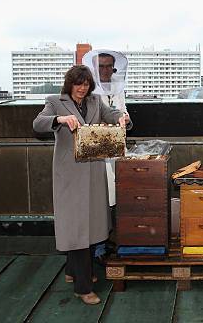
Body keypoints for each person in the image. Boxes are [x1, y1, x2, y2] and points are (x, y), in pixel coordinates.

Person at [32, 65, 131, 305]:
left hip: (94, 172)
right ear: (70, 84)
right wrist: (60, 119)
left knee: (91, 224)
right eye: (78, 83)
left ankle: (71, 271)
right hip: (70, 175)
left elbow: (112, 115)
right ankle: (83, 287)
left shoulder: (96, 101)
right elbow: (38, 124)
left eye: (86, 84)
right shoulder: (55, 100)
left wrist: (122, 118)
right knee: (76, 227)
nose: (82, 88)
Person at [82, 50, 130, 263]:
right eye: (101, 66)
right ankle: (97, 247)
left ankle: (109, 239)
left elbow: (122, 112)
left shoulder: (117, 90)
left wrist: (126, 120)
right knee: (98, 200)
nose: (105, 70)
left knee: (115, 198)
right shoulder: (87, 91)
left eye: (109, 66)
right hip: (96, 153)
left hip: (116, 150)